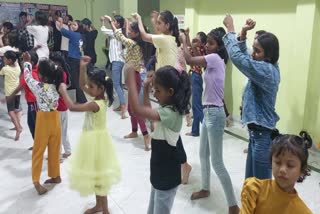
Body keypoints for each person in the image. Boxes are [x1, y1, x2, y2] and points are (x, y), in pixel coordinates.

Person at [180, 28, 239, 214]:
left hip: (214, 114)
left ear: (219, 46)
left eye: (211, 43)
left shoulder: (215, 59)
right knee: (203, 155)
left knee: (217, 162)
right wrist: (191, 41)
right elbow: (196, 54)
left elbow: (189, 60)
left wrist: (182, 39)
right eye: (207, 42)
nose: (206, 45)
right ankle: (205, 188)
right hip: (208, 113)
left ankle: (233, 205)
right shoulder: (214, 60)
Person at [132, 10, 192, 185]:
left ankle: (183, 164)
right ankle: (183, 163)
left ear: (167, 25)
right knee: (169, 131)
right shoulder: (169, 38)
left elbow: (143, 35)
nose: (156, 26)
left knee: (171, 133)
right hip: (166, 87)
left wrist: (138, 19)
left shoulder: (165, 39)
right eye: (156, 22)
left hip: (168, 89)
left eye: (159, 23)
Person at [125, 63, 191, 214]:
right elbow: (148, 112)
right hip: (160, 173)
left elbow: (137, 111)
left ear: (170, 92)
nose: (155, 94)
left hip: (167, 177)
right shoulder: (167, 107)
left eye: (158, 91)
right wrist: (147, 88)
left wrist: (131, 82)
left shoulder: (171, 113)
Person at [59, 56, 120, 214]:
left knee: (99, 179)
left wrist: (63, 91)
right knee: (94, 176)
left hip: (96, 143)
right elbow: (81, 84)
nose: (88, 88)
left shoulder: (95, 104)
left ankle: (105, 209)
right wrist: (82, 68)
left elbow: (72, 107)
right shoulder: (99, 96)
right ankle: (99, 205)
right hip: (91, 141)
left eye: (91, 86)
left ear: (101, 88)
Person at [223, 15, 280, 179]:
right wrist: (243, 32)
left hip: (262, 135)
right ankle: (250, 205)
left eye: (257, 50)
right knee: (250, 182)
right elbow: (245, 56)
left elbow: (238, 58)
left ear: (268, 55)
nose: (252, 53)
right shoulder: (265, 65)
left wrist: (231, 29)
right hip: (255, 133)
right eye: (253, 48)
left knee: (261, 186)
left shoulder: (267, 71)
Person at [104, 15, 153, 150]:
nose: (128, 31)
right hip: (131, 75)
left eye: (130, 30)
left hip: (134, 77)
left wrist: (111, 23)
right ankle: (134, 130)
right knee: (132, 109)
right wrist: (126, 23)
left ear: (136, 33)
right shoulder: (136, 43)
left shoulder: (133, 44)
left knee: (135, 109)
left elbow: (120, 36)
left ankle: (145, 134)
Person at [240, 130, 313, 213]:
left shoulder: (302, 211)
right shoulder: (254, 190)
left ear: (302, 170)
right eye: (278, 162)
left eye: (290, 165)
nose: (282, 169)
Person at [22, 52, 63, 195]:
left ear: (42, 76)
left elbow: (27, 77)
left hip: (44, 120)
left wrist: (27, 63)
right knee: (54, 148)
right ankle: (56, 175)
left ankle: (36, 181)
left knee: (38, 151)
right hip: (55, 118)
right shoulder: (57, 85)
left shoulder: (39, 87)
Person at [4, 51, 39, 150]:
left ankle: (40, 145)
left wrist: (11, 95)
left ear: (30, 62)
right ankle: (37, 144)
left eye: (24, 60)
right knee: (31, 124)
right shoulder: (31, 70)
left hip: (34, 102)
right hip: (31, 102)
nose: (22, 62)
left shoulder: (31, 73)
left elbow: (23, 85)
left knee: (36, 125)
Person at [56, 18, 87, 103]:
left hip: (73, 59)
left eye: (74, 25)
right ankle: (78, 97)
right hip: (78, 58)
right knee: (76, 79)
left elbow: (62, 31)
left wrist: (61, 22)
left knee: (76, 80)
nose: (72, 25)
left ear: (79, 27)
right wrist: (70, 25)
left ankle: (82, 99)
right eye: (72, 24)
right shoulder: (80, 35)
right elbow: (70, 32)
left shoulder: (74, 35)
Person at [100, 15, 126, 118]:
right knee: (118, 83)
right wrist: (105, 21)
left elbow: (103, 30)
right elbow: (104, 30)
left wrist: (105, 21)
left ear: (118, 24)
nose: (113, 23)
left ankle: (124, 106)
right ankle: (121, 104)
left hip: (117, 61)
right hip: (117, 61)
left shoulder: (117, 32)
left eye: (114, 21)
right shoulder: (116, 32)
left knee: (116, 85)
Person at [50, 52, 72, 159]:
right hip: (64, 105)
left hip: (57, 107)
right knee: (63, 130)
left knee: (56, 133)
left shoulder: (56, 74)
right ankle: (67, 150)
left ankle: (57, 156)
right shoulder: (63, 73)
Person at [185, 31, 206, 137]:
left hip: (197, 76)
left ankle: (207, 129)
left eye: (197, 40)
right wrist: (188, 35)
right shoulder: (196, 47)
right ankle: (195, 131)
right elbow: (189, 46)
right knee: (195, 105)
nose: (195, 41)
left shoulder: (201, 49)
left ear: (201, 42)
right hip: (194, 75)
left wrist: (193, 47)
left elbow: (199, 60)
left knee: (197, 106)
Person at [0, 51, 22, 140]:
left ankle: (18, 127)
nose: (4, 60)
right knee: (17, 109)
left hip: (10, 94)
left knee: (10, 111)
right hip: (18, 93)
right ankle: (17, 124)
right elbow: (15, 60)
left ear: (9, 60)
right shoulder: (18, 67)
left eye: (5, 59)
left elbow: (1, 73)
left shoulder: (5, 69)